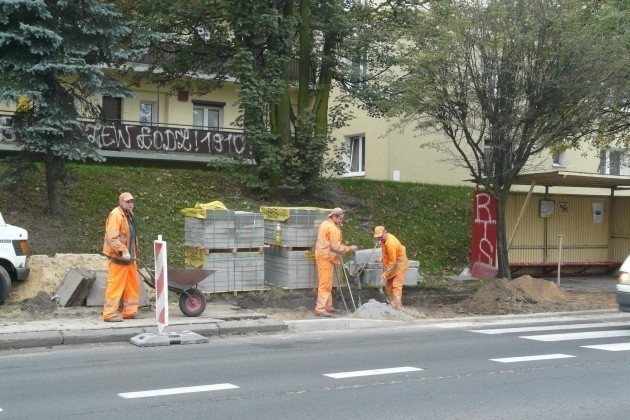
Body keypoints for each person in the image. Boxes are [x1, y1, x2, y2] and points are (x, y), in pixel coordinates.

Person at [102, 192, 140, 322]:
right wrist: (123, 251)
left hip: (130, 258)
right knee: (115, 285)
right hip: (118, 258)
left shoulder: (129, 215)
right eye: (127, 201)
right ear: (120, 202)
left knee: (132, 285)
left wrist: (131, 254)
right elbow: (112, 237)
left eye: (132, 202)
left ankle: (130, 312)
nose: (130, 204)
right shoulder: (115, 215)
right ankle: (109, 314)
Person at [314, 207, 357, 317]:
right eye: (340, 219)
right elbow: (336, 246)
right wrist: (349, 248)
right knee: (325, 284)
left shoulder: (325, 224)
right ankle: (320, 309)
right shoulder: (333, 229)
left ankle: (328, 306)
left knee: (328, 283)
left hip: (323, 256)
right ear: (334, 217)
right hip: (325, 258)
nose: (341, 221)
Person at [373, 226, 409, 309]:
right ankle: (393, 303)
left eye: (380, 237)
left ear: (385, 232)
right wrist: (383, 260)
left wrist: (385, 274)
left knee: (396, 285)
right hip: (392, 265)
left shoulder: (391, 243)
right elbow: (386, 254)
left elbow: (392, 261)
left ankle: (398, 306)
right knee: (388, 285)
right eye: (378, 237)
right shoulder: (384, 240)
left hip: (399, 265)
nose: (379, 239)